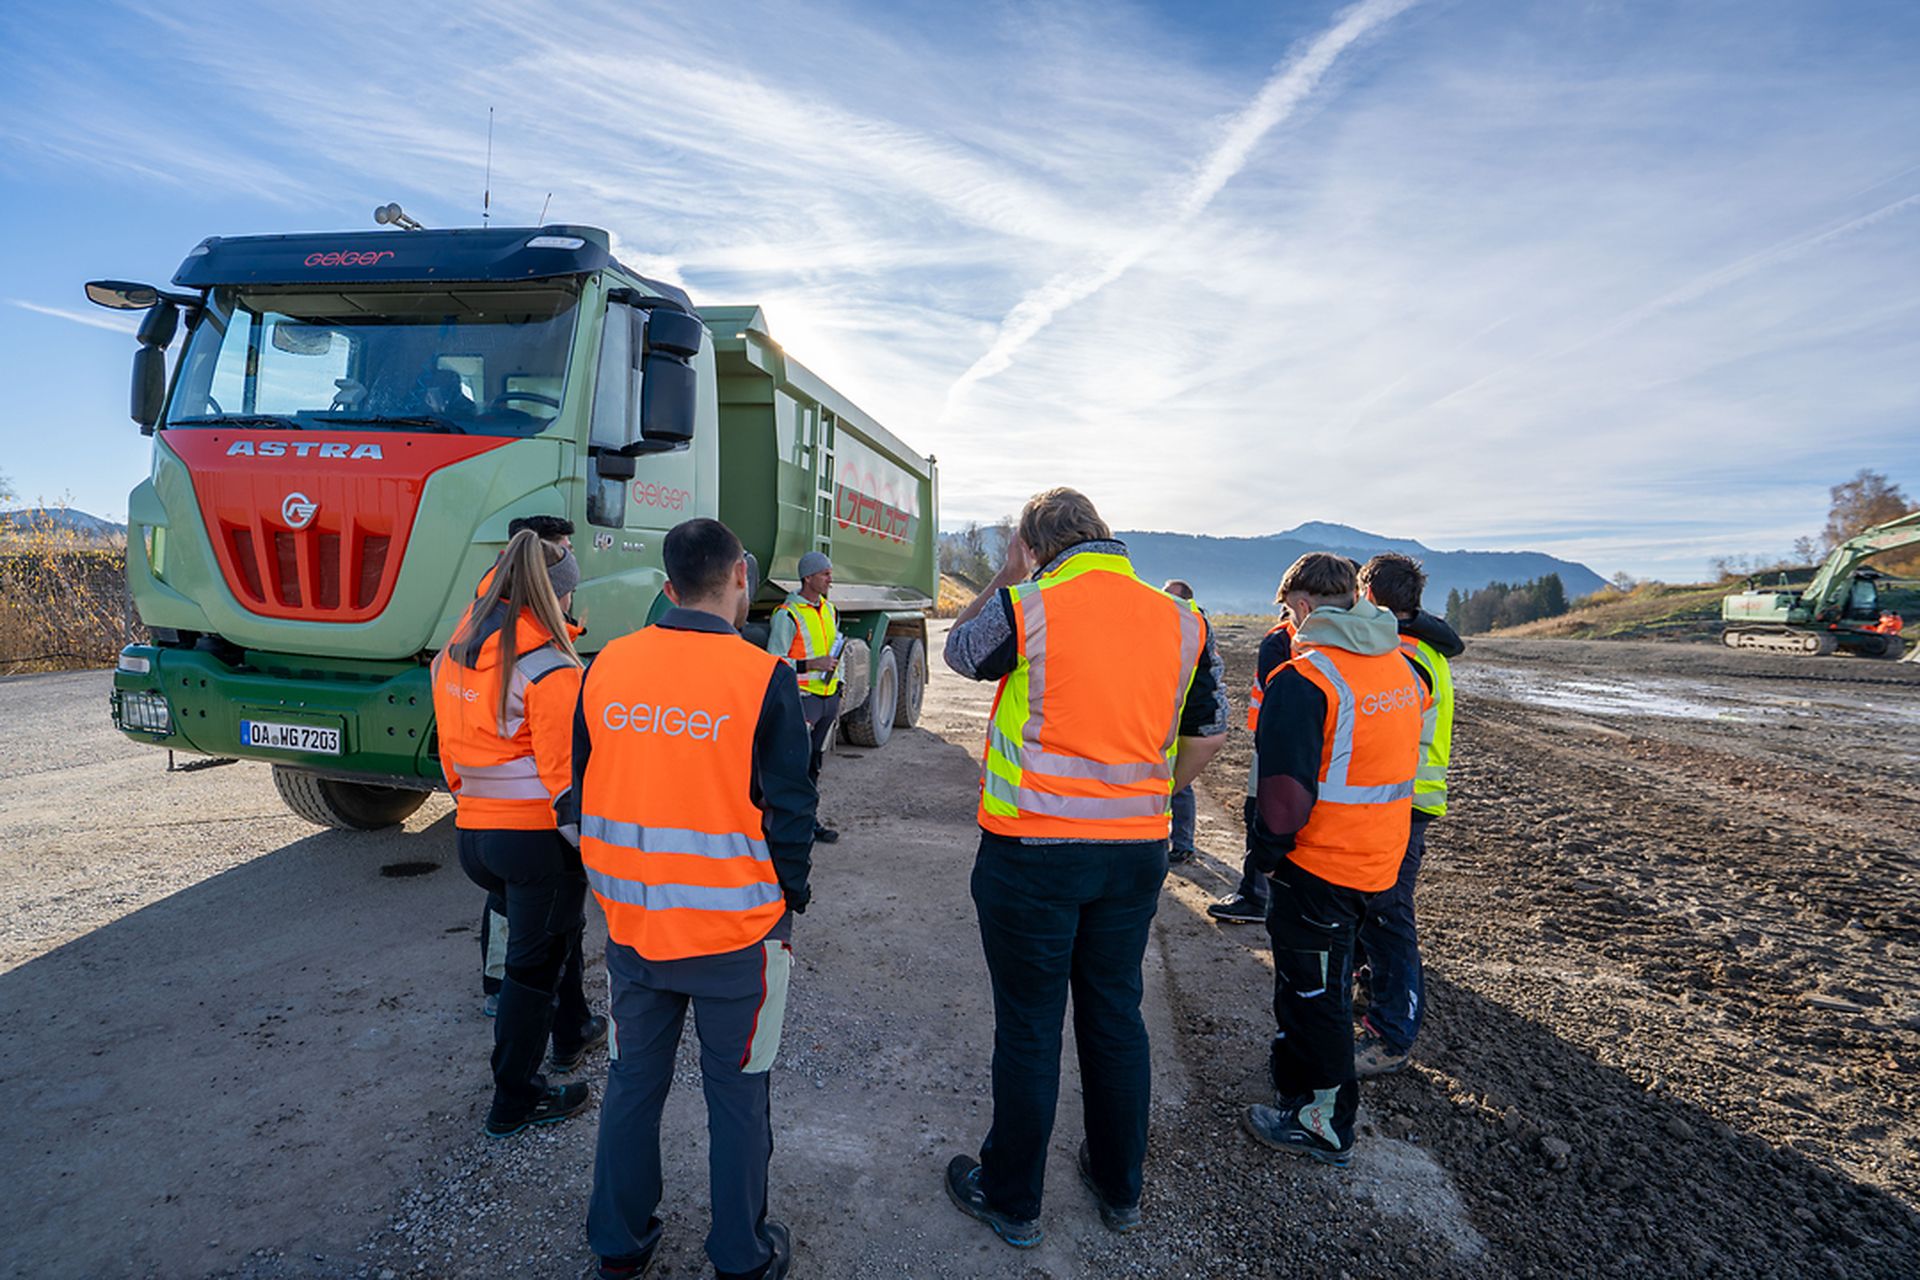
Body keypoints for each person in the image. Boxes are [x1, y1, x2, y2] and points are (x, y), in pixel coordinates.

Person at [942, 488, 1229, 1246]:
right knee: (1114, 1015)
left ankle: (1014, 1201)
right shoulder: (1183, 620)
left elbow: (959, 653)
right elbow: (1210, 731)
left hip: (1031, 854)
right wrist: (1150, 794)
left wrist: (1006, 576)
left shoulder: (1030, 604)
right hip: (1133, 855)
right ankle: (1118, 1184)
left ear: (1035, 547)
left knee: (1030, 1027)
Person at [572, 518, 814, 1280]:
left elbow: (582, 792)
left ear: (667, 584)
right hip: (737, 936)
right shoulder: (762, 677)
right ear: (741, 576)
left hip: (635, 929)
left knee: (632, 1085)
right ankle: (741, 1256)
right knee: (738, 1097)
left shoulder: (606, 666)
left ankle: (618, 1243)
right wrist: (792, 893)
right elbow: (791, 811)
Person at [1240, 553, 1427, 1167]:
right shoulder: (1401, 667)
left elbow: (1284, 800)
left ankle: (1323, 1122)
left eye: (1286, 611)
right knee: (1328, 981)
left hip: (1319, 868)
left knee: (1314, 994)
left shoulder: (1306, 680)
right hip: (1378, 859)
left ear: (1300, 606)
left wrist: (1266, 858)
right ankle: (1298, 1079)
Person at [431, 528, 606, 1139]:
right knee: (533, 971)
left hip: (474, 835)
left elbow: (451, 754)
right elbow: (565, 786)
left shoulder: (458, 648)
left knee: (549, 943)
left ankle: (573, 1032)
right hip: (533, 840)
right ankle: (515, 1099)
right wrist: (597, 853)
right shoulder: (550, 668)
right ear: (556, 595)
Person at [1350, 553, 1463, 1077]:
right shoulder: (1419, 647)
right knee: (1375, 906)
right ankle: (1370, 990)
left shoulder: (1403, 656)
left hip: (1401, 801)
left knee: (1388, 912)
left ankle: (1392, 1035)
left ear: (1369, 595)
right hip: (1406, 798)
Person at [467, 515, 578, 1018]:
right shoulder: (542, 659)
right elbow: (562, 771)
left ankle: (555, 1014)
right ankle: (510, 999)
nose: (570, 552)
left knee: (510, 903)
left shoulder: (478, 615)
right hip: (530, 822)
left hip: (481, 815)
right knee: (533, 938)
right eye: (564, 547)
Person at [1207, 611, 1297, 924]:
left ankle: (1257, 896)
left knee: (1262, 816)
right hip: (1293, 746)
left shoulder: (1280, 640)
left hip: (1275, 747)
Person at [767, 549, 842, 845]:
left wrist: (838, 687)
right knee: (794, 767)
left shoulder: (830, 610)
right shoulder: (787, 614)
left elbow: (833, 652)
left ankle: (809, 822)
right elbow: (774, 660)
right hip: (802, 700)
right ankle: (789, 827)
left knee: (814, 765)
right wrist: (811, 664)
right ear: (808, 577)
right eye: (825, 574)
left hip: (827, 699)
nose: (830, 579)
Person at [1160, 579, 1203, 866]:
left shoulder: (1196, 627)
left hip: (1183, 718)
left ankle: (1184, 844)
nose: (1166, 601)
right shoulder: (1166, 623)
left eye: (1171, 597)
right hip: (1163, 714)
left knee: (1180, 784)